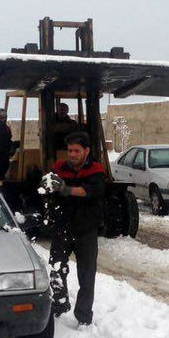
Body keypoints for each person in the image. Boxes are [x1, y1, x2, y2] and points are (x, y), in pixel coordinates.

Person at [41, 131, 106, 326]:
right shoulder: (60, 168)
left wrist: (66, 189)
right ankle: (59, 305)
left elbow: (91, 192)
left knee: (87, 274)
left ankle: (84, 317)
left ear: (86, 151)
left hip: (86, 229)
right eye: (69, 150)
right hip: (63, 226)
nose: (72, 154)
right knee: (56, 268)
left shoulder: (97, 170)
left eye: (77, 151)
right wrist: (47, 185)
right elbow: (49, 185)